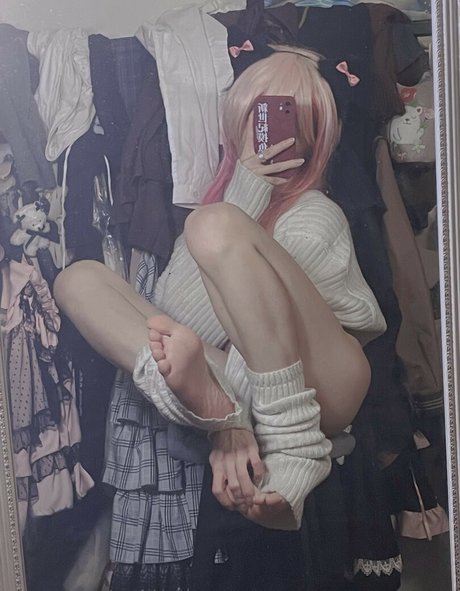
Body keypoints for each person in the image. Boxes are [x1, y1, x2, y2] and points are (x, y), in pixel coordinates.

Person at [53, 47, 386, 535]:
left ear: (315, 133)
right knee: (76, 279)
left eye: (287, 118)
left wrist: (226, 411)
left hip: (326, 381)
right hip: (243, 376)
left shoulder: (315, 215)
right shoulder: (223, 211)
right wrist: (243, 193)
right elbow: (176, 320)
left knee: (213, 225)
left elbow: (271, 341)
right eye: (258, 117)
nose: (270, 132)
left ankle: (293, 445)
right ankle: (220, 410)